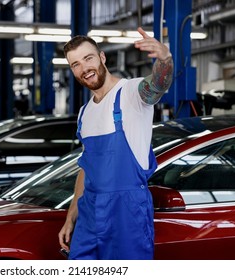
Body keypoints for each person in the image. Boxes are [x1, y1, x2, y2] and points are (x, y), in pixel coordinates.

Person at [58, 27, 174, 260]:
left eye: (88, 58)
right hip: (89, 212)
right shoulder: (84, 112)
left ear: (102, 57)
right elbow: (86, 166)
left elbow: (157, 86)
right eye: (76, 64)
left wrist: (165, 59)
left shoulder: (131, 93)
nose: (84, 69)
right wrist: (71, 215)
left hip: (126, 212)